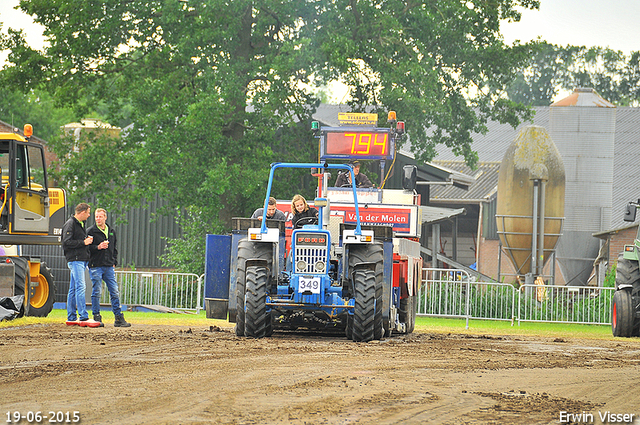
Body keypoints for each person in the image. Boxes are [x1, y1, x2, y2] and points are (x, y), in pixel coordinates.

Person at [87, 208, 131, 328]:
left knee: (114, 291)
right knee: (96, 292)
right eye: (96, 217)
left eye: (100, 217)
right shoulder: (90, 231)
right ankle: (96, 316)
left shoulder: (111, 231)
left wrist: (114, 262)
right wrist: (98, 247)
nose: (98, 219)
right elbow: (87, 248)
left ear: (105, 217)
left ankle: (118, 318)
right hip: (96, 266)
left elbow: (114, 249)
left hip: (108, 266)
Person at [62, 203, 100, 327]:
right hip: (75, 260)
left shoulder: (79, 224)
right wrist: (83, 242)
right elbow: (66, 242)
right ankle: (83, 316)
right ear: (82, 212)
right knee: (80, 287)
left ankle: (71, 317)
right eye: (88, 213)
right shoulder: (71, 224)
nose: (89, 215)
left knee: (73, 289)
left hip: (80, 260)